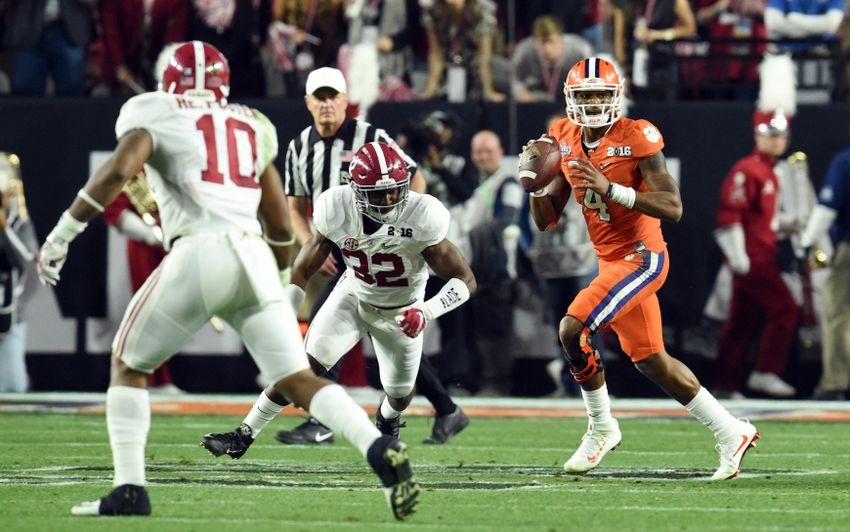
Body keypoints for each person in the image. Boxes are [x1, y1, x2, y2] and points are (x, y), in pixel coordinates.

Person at [36, 41, 419, 520]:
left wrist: (62, 234)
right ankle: (376, 448)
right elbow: (280, 224)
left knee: (128, 366)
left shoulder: (154, 110)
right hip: (254, 253)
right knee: (296, 378)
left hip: (200, 249)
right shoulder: (248, 123)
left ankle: (130, 489)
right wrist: (280, 280)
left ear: (170, 83)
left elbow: (117, 171)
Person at [528, 56, 758, 480]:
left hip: (643, 255)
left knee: (572, 329)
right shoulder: (562, 136)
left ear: (616, 96)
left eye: (600, 94)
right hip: (610, 260)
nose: (594, 103)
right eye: (585, 95)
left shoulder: (637, 134)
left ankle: (601, 427)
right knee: (652, 360)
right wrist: (536, 185)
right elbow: (546, 221)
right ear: (570, 100)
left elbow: (674, 207)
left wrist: (612, 188)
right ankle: (731, 431)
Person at [202, 141, 476, 456]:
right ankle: (244, 434)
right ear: (356, 190)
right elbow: (303, 269)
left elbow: (466, 280)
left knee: (400, 394)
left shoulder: (423, 214)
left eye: (394, 191)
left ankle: (387, 420)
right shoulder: (336, 207)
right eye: (377, 192)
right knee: (302, 369)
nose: (387, 200)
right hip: (354, 296)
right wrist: (285, 315)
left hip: (403, 311)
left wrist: (425, 312)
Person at [274, 66, 469, 446]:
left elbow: (414, 182)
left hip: (374, 246)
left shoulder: (372, 137)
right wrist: (314, 244)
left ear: (346, 100)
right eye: (320, 97)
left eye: (334, 96)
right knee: (386, 332)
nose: (327, 104)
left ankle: (322, 420)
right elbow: (296, 206)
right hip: (334, 245)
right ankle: (446, 409)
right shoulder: (299, 146)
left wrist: (393, 232)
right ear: (308, 102)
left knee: (359, 329)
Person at [712, 109, 798, 399]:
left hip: (761, 254)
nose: (776, 141)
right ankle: (766, 371)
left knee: (742, 320)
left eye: (781, 136)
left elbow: (762, 218)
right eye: (770, 135)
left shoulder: (772, 170)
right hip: (753, 258)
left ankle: (726, 382)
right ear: (758, 135)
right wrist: (738, 256)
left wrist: (789, 224)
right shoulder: (748, 169)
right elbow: (730, 215)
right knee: (785, 307)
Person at [800, 143, 850, 400]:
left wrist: (807, 242)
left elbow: (827, 209)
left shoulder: (845, 161)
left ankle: (835, 382)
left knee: (837, 314)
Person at [0, 153, 38, 393]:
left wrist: (4, 229)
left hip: (9, 313)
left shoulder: (19, 221)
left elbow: (25, 260)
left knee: (12, 389)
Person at [512, 15, 594, 103]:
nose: (547, 48)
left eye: (551, 41)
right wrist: (520, 92)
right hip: (538, 98)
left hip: (574, 96)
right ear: (534, 41)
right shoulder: (524, 51)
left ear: (561, 39)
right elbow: (515, 77)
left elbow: (594, 76)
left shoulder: (579, 49)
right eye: (542, 43)